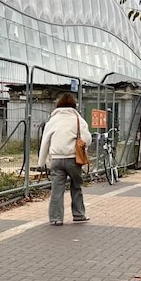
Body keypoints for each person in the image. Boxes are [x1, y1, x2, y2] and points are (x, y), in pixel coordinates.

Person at [37, 92, 92, 225]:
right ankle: (78, 214)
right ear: (74, 105)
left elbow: (45, 141)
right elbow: (87, 140)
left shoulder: (53, 120)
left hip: (56, 159)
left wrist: (41, 162)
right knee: (76, 185)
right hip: (73, 159)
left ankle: (56, 218)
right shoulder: (78, 120)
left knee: (57, 189)